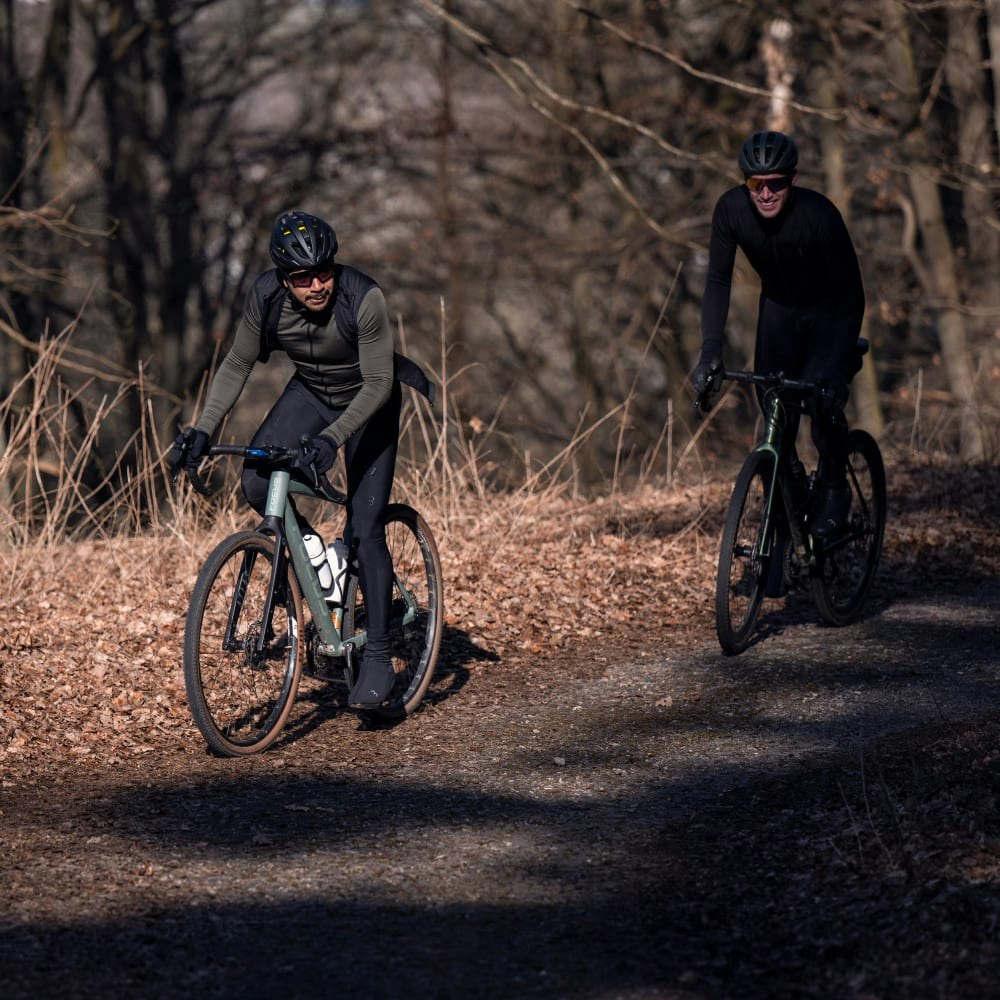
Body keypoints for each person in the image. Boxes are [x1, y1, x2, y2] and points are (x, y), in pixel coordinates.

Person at [171, 210, 433, 709]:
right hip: (311, 391)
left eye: (323, 273)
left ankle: (377, 655)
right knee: (257, 480)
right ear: (284, 279)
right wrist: (203, 429)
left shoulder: (364, 297)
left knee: (367, 524)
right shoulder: (265, 296)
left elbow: (379, 383)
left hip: (368, 400)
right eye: (302, 278)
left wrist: (332, 439)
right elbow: (238, 362)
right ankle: (321, 562)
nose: (316, 286)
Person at [692, 130, 866, 538]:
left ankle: (836, 488)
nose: (766, 194)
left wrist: (837, 367)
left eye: (776, 184)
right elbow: (717, 280)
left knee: (821, 406)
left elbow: (851, 295)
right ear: (745, 184)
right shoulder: (730, 211)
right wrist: (710, 350)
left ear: (793, 180)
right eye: (756, 184)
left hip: (828, 314)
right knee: (775, 411)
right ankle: (787, 506)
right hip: (779, 314)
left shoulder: (819, 216)